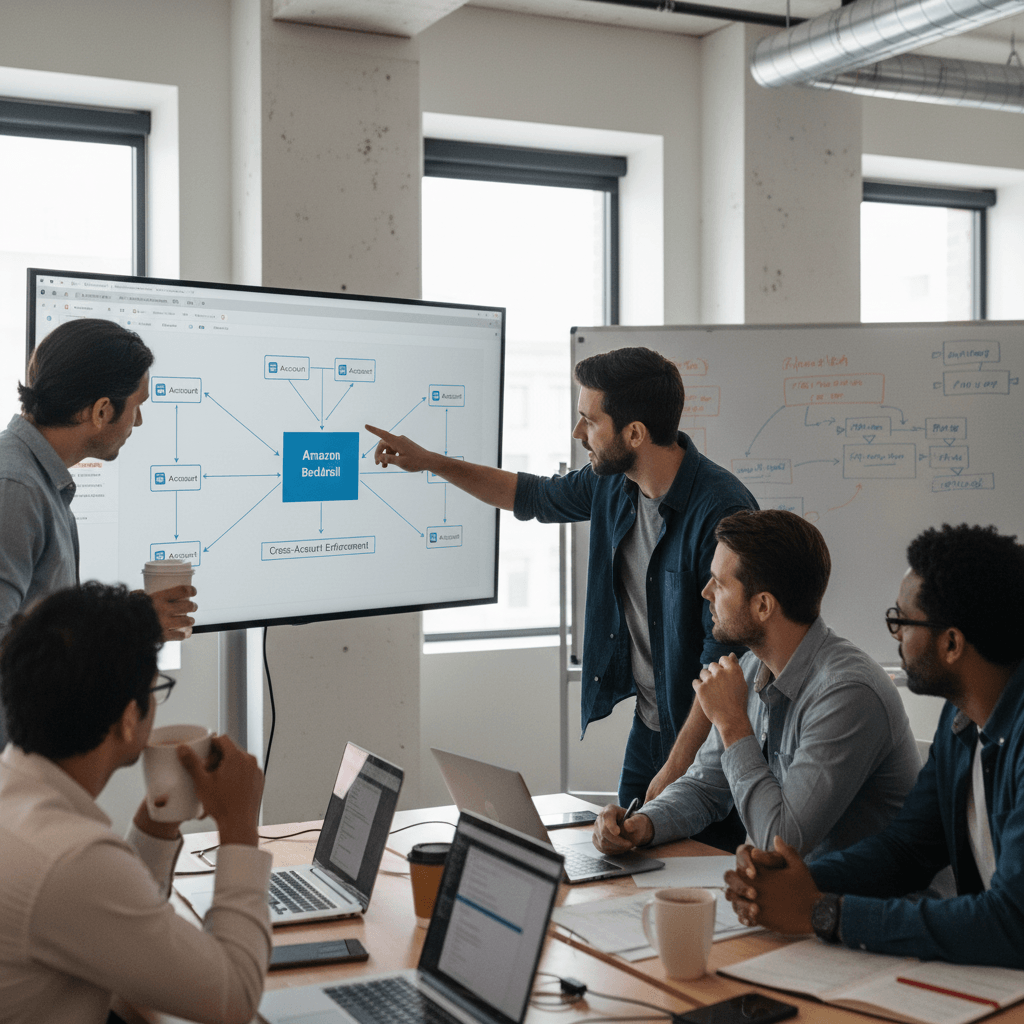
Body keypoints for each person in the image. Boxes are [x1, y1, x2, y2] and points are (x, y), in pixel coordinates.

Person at [367, 347, 757, 812]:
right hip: (651, 726)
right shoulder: (613, 485)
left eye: (589, 421)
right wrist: (432, 462)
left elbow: (722, 660)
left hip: (708, 743)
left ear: (634, 433)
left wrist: (675, 771)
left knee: (701, 874)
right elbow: (531, 496)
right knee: (624, 859)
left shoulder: (721, 511)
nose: (578, 435)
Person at [724, 523, 1024, 968]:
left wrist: (824, 913)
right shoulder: (960, 720)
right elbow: (907, 849)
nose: (896, 635)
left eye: (901, 621)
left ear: (952, 643)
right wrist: (795, 879)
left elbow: (1011, 922)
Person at [0, 581, 271, 1023]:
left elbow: (110, 928)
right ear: (129, 719)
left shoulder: (18, 801)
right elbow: (235, 997)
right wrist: (240, 828)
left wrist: (159, 821)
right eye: (153, 689)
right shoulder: (71, 859)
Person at [593, 509, 921, 860]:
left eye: (719, 583)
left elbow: (781, 843)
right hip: (787, 899)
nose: (705, 592)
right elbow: (705, 787)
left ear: (763, 605)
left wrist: (733, 723)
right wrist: (641, 825)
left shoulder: (847, 694)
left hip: (858, 907)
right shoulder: (752, 667)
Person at [0, 319, 197, 742]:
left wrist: (123, 620)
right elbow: (8, 651)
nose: (138, 422)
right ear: (102, 410)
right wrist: (129, 627)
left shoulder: (39, 482)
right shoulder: (14, 490)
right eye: (136, 405)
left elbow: (38, 624)